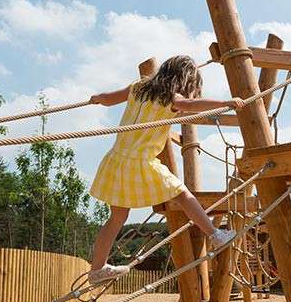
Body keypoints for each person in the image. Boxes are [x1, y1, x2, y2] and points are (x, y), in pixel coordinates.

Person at [87, 55, 243, 284]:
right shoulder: (170, 97)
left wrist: (98, 98)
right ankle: (214, 234)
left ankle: (97, 269)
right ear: (183, 80)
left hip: (117, 160)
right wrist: (224, 103)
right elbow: (189, 105)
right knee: (183, 194)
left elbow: (110, 98)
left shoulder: (138, 87)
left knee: (116, 217)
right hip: (141, 162)